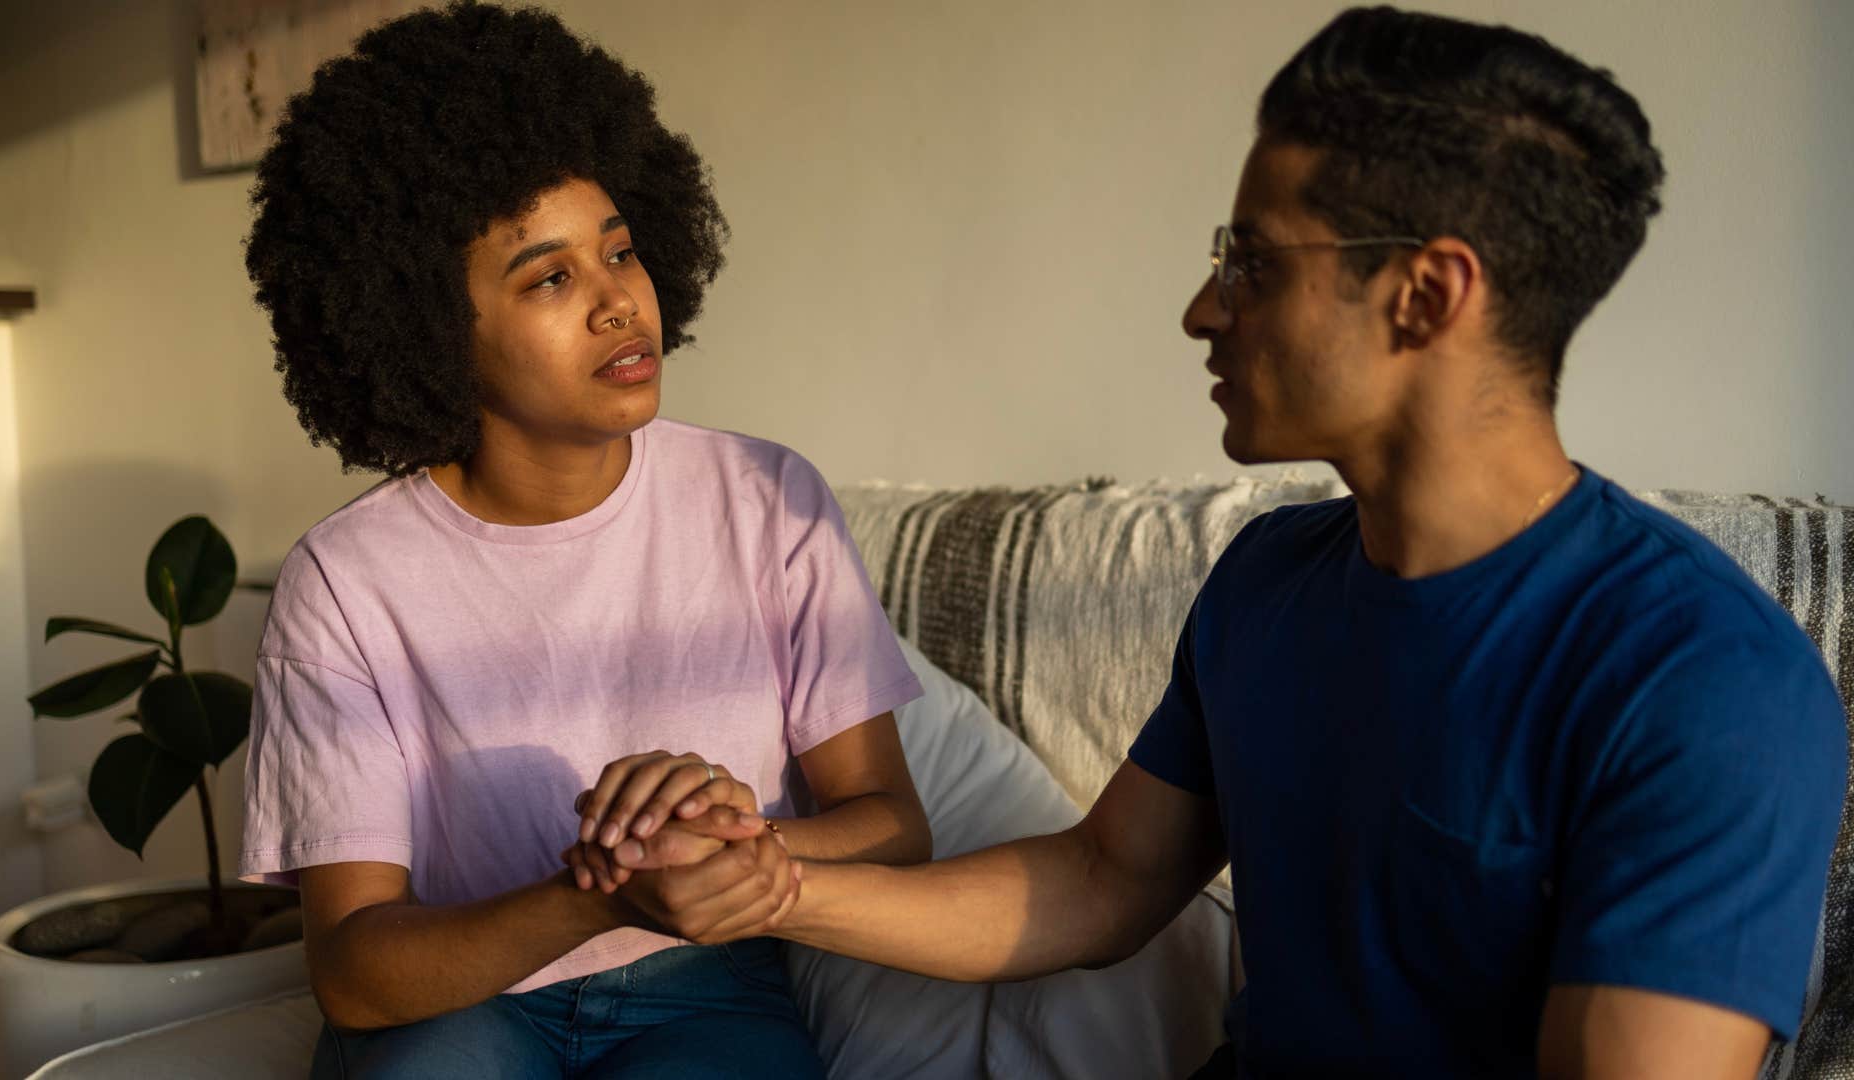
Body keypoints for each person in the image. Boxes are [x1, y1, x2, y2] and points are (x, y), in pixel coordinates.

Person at [592, 7, 1847, 1078]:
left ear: (1427, 295)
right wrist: (773, 889)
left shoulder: (1706, 686)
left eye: (1250, 262)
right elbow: (1102, 881)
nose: (1203, 309)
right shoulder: (1269, 581)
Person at [236, 4, 927, 1077]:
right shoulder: (346, 583)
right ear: (424, 325)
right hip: (458, 996)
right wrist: (596, 886)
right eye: (549, 277)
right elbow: (356, 973)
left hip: (710, 987)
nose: (618, 303)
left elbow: (891, 824)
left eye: (621, 251)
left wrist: (727, 852)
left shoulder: (766, 498)